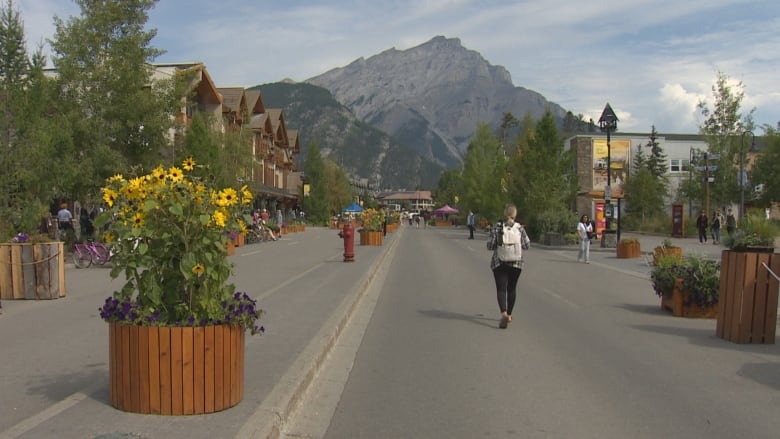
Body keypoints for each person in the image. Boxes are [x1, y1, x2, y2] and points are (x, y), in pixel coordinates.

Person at [486, 204, 530, 329]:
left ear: (505, 214)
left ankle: (503, 313)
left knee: (501, 289)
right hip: (516, 263)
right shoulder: (519, 228)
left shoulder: (498, 227)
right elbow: (527, 245)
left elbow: (490, 246)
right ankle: (510, 314)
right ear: (515, 215)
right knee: (512, 289)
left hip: (499, 262)